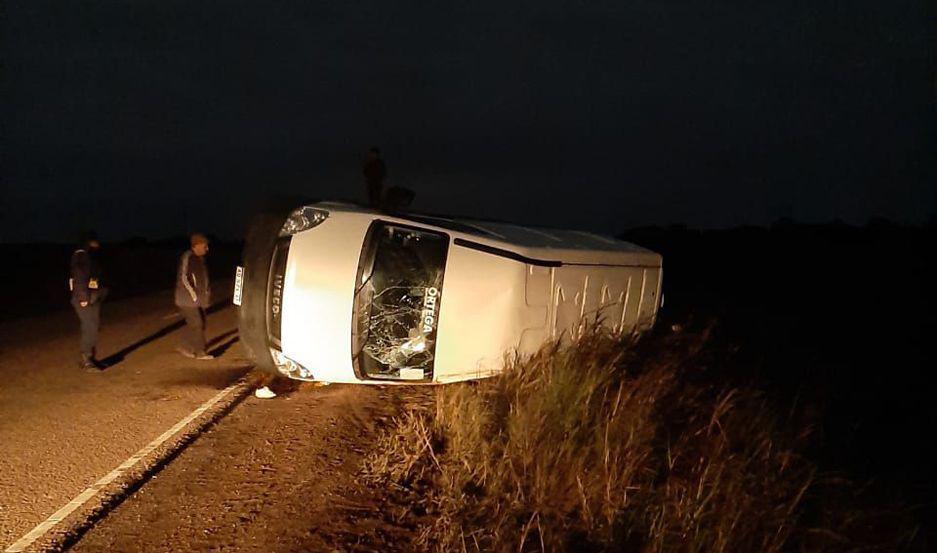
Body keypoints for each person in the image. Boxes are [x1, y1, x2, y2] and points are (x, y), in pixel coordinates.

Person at [70, 231, 108, 371]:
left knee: (92, 326)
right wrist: (83, 297)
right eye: (95, 242)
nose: (97, 244)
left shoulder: (87, 256)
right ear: (88, 242)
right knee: (89, 327)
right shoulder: (81, 256)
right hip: (84, 297)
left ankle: (91, 358)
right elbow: (79, 277)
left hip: (91, 296)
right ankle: (87, 360)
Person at [175, 233, 213, 360]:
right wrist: (193, 295)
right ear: (196, 245)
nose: (206, 249)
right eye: (204, 246)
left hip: (197, 300)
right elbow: (184, 277)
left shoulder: (200, 259)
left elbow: (203, 280)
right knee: (197, 323)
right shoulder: (188, 257)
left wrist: (205, 296)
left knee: (200, 323)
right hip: (187, 299)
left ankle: (187, 346)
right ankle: (200, 352)